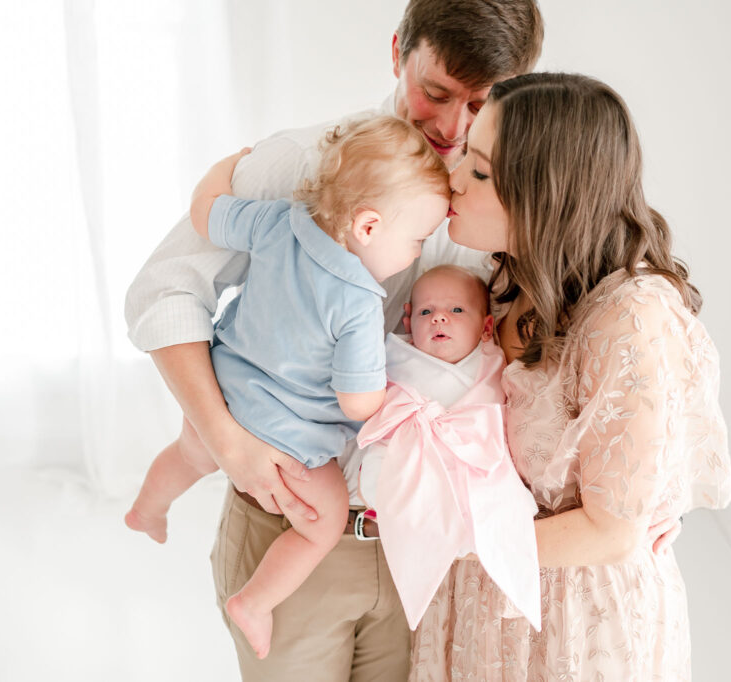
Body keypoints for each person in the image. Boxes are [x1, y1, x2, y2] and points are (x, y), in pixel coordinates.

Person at [125, 2, 545, 678]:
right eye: (434, 93)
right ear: (396, 53)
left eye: (480, 104)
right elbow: (164, 292)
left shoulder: (507, 205)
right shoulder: (303, 163)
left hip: (429, 552)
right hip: (292, 531)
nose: (452, 127)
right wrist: (230, 446)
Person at [409, 72, 731, 681]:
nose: (453, 179)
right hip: (485, 598)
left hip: (574, 625)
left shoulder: (629, 315)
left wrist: (445, 536)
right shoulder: (504, 279)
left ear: (544, 195)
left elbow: (612, 531)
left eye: (479, 171)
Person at [125, 115, 450, 659]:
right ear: (368, 227)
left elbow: (206, 213)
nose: (417, 252)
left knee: (190, 451)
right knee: (319, 522)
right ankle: (253, 602)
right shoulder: (359, 303)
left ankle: (148, 507)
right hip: (286, 433)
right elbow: (358, 401)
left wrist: (228, 165)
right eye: (417, 239)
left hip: (225, 393)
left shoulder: (280, 221)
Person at [355, 264, 542, 633]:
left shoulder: (494, 363)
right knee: (384, 474)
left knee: (501, 498)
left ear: (487, 327)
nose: (439, 317)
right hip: (410, 458)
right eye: (426, 312)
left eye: (456, 310)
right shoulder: (392, 360)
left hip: (474, 461)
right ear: (408, 323)